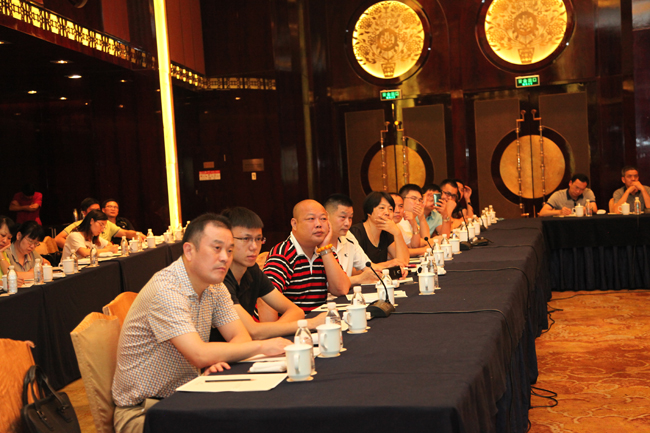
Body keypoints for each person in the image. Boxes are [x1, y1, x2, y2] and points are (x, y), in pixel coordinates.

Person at [112, 214, 291, 433]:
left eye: (229, 250)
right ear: (189, 251)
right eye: (217, 248)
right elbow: (198, 354)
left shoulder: (215, 286)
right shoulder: (167, 290)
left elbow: (240, 336)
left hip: (187, 397)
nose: (225, 258)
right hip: (146, 412)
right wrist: (262, 346)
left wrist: (216, 357)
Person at [211, 207, 325, 341]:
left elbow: (296, 311)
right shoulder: (219, 279)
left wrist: (270, 331)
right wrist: (310, 324)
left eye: (258, 239)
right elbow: (253, 331)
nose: (254, 246)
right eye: (246, 239)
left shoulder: (252, 270)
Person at [263, 199, 351, 313]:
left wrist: (325, 250)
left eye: (323, 219)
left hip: (318, 321)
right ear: (294, 224)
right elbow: (265, 299)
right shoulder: (283, 254)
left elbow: (341, 289)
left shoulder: (325, 251)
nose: (319, 224)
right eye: (311, 219)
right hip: (294, 323)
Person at [349, 192, 409, 274]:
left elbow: (403, 261)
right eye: (382, 208)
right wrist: (385, 265)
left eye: (390, 209)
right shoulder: (356, 232)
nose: (387, 213)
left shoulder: (385, 232)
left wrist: (397, 233)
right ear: (369, 211)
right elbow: (351, 271)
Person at [324, 194, 378, 285]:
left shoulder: (348, 236)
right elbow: (328, 285)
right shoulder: (316, 243)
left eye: (350, 218)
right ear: (326, 216)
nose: (347, 223)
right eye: (343, 217)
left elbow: (368, 267)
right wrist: (358, 279)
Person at [55, 198, 144, 248]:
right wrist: (76, 247)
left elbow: (125, 233)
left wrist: (138, 234)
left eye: (98, 210)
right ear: (84, 213)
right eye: (92, 210)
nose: (96, 213)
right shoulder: (77, 226)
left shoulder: (107, 224)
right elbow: (58, 239)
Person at [396, 184, 431, 256]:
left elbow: (425, 239)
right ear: (402, 200)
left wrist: (421, 217)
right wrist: (429, 245)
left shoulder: (411, 218)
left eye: (420, 200)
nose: (418, 203)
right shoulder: (400, 219)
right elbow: (414, 246)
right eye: (413, 199)